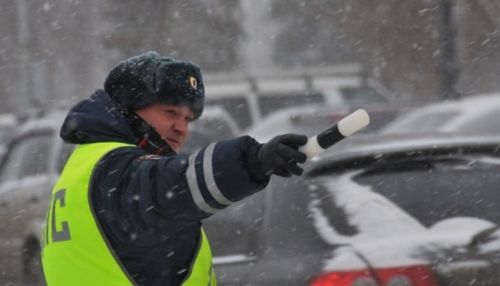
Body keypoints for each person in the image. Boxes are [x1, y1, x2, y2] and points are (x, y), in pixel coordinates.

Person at [40, 51, 307, 286]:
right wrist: (253, 160)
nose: (181, 128)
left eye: (187, 118)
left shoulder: (87, 166)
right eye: (170, 112)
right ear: (128, 110)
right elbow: (175, 183)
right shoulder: (117, 171)